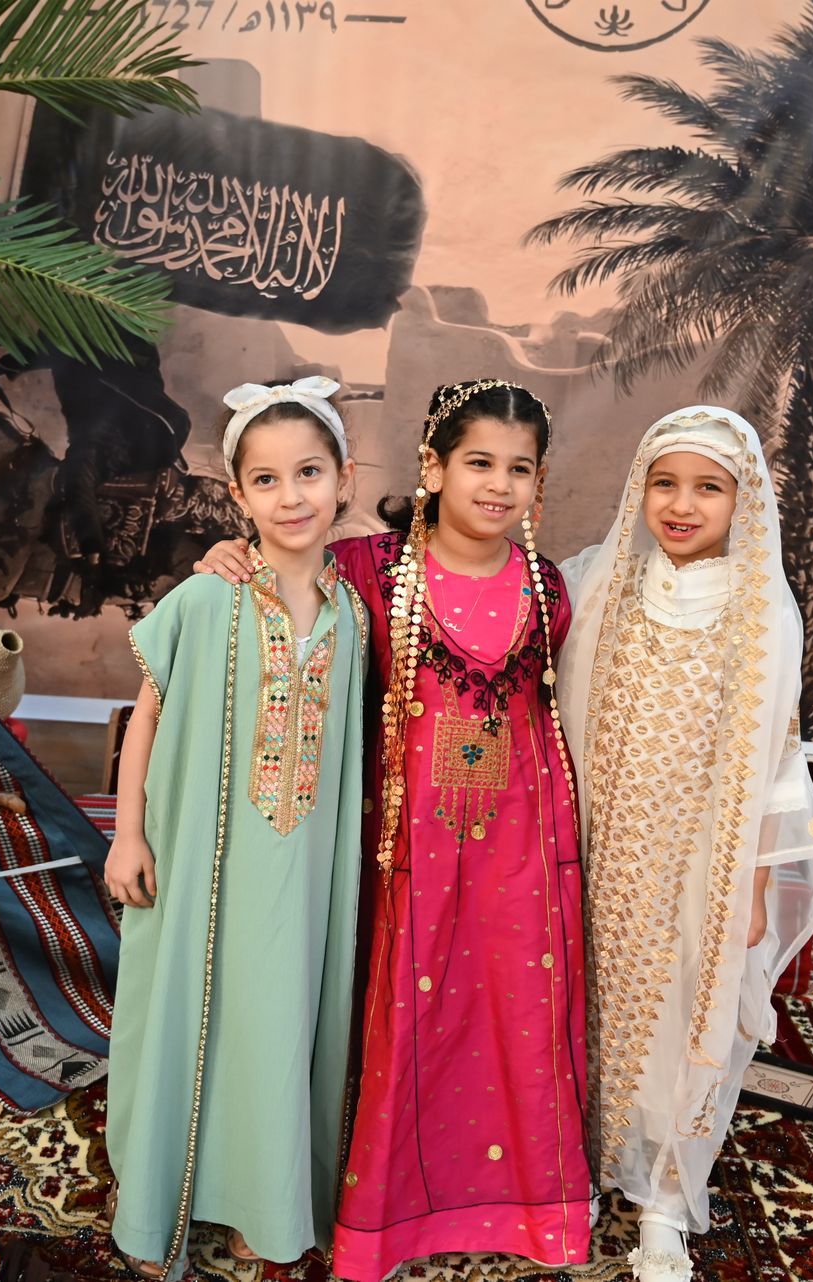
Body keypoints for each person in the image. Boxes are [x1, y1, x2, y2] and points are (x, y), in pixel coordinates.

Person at [197, 380, 591, 1280]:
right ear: (433, 465)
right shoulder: (370, 567)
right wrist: (226, 555)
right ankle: (381, 1217)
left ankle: (523, 1208)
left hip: (518, 842)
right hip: (402, 841)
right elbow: (280, 581)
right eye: (478, 463)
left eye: (519, 469)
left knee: (511, 1016)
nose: (498, 486)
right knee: (403, 1015)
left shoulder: (549, 586)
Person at [102, 376, 369, 1280]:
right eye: (265, 480)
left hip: (302, 875)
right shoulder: (205, 598)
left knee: (279, 1024)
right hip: (197, 861)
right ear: (237, 494)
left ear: (345, 478)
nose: (290, 497)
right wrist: (126, 833)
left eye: (308, 474)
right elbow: (147, 713)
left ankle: (266, 1201)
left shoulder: (357, 617)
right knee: (188, 1013)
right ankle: (160, 1206)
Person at [557, 406, 813, 1282]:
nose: (681, 505)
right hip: (601, 848)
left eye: (707, 488)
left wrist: (752, 882)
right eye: (664, 483)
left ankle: (667, 1201)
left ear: (741, 502)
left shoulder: (764, 614)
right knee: (593, 1002)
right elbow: (480, 586)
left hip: (701, 865)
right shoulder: (599, 580)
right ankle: (589, 1162)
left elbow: (778, 757)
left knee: (688, 1009)